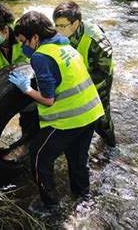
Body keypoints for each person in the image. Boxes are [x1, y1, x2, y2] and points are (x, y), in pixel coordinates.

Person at [9, 11, 104, 208]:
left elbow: (48, 99)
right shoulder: (64, 45)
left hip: (68, 120)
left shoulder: (41, 57)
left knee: (38, 158)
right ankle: (83, 200)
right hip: (91, 113)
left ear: (35, 37)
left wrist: (26, 89)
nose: (22, 46)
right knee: (78, 160)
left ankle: (51, 207)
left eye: (23, 41)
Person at [53, 1, 116, 147]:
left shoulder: (96, 40)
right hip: (76, 77)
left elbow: (103, 72)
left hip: (98, 81)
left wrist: (76, 83)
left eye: (62, 26)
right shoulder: (62, 32)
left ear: (75, 24)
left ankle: (110, 146)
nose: (57, 30)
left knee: (100, 119)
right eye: (56, 25)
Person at [0, 4, 38, 151]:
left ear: (5, 30)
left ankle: (27, 143)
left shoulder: (22, 37)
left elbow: (36, 59)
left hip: (24, 78)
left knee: (29, 114)